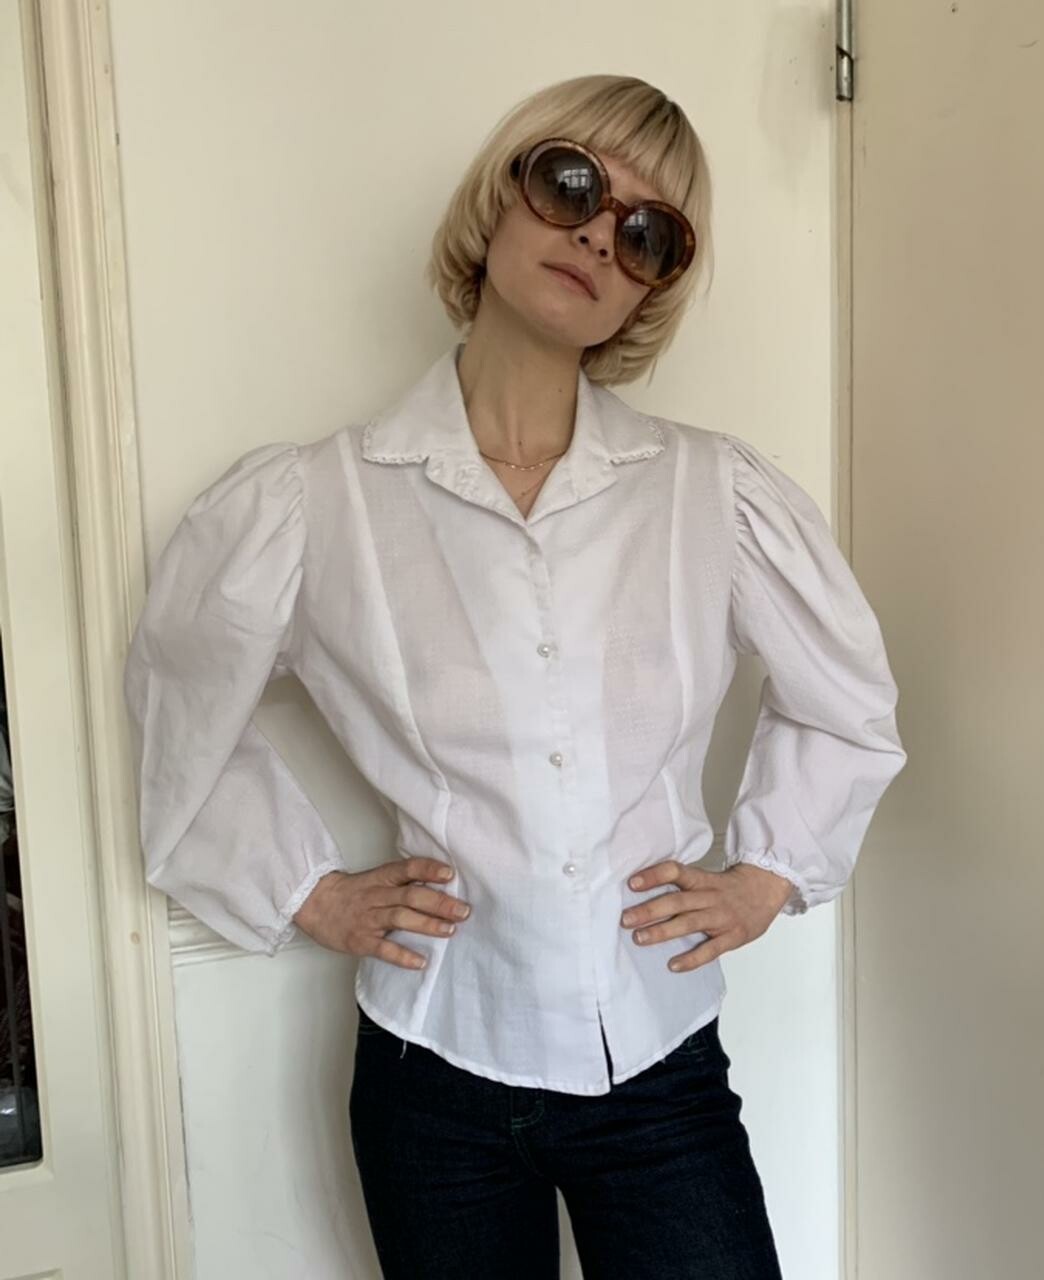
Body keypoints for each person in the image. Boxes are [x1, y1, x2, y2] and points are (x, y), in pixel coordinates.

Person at [123, 72, 908, 1280]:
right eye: (570, 183)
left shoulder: (715, 495)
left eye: (646, 234)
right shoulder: (316, 502)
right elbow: (180, 693)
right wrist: (308, 890)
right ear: (499, 197)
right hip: (429, 1075)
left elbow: (846, 704)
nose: (597, 234)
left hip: (657, 1063)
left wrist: (764, 878)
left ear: (650, 288)